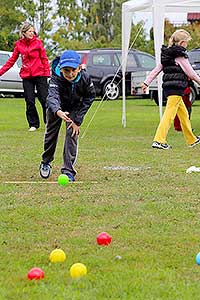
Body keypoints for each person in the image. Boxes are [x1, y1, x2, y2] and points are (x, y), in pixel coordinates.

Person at [39, 50, 96, 182]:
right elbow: (52, 96)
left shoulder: (85, 78)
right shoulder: (55, 78)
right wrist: (58, 111)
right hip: (56, 108)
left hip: (74, 108)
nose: (70, 74)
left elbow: (90, 96)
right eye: (66, 71)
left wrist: (77, 120)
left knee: (72, 134)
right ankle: (46, 162)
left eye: (73, 70)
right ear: (60, 68)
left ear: (80, 68)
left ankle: (68, 171)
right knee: (50, 135)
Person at [142, 29, 200, 149]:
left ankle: (191, 140)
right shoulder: (181, 57)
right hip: (177, 89)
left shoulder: (166, 55)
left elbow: (156, 70)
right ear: (182, 43)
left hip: (168, 89)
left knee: (183, 114)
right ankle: (159, 140)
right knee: (169, 115)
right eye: (187, 43)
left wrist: (146, 82)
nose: (187, 45)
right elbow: (192, 74)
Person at [0, 22, 50, 131]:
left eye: (33, 31)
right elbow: (11, 61)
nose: (32, 33)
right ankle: (33, 124)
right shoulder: (19, 45)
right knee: (29, 100)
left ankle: (49, 123)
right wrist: (1, 72)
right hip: (27, 76)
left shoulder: (38, 43)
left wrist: (47, 73)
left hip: (40, 75)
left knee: (44, 99)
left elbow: (44, 59)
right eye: (30, 31)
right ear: (24, 32)